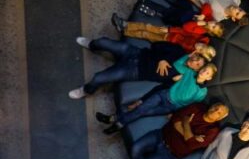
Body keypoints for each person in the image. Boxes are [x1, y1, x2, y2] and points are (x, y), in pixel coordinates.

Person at [68, 37, 214, 99]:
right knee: (102, 42)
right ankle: (92, 45)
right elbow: (156, 45)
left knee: (98, 77)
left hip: (135, 71)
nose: (195, 63)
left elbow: (165, 90)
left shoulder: (180, 77)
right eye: (197, 59)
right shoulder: (178, 51)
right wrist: (163, 59)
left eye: (198, 66)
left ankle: (87, 91)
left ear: (196, 70)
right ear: (195, 55)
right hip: (135, 53)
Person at [102, 60, 217, 134]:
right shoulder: (190, 73)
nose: (203, 72)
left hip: (171, 107)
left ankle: (115, 118)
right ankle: (117, 124)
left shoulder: (202, 92)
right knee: (141, 108)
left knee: (144, 112)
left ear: (209, 78)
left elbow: (189, 106)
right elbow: (177, 65)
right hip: (164, 94)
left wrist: (175, 114)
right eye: (204, 69)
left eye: (207, 73)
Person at [111, 15, 224, 52]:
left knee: (144, 35)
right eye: (203, 46)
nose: (200, 47)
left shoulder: (191, 53)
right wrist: (170, 30)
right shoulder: (200, 37)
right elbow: (184, 30)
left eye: (201, 50)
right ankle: (124, 24)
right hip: (169, 34)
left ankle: (124, 30)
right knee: (147, 27)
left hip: (166, 42)